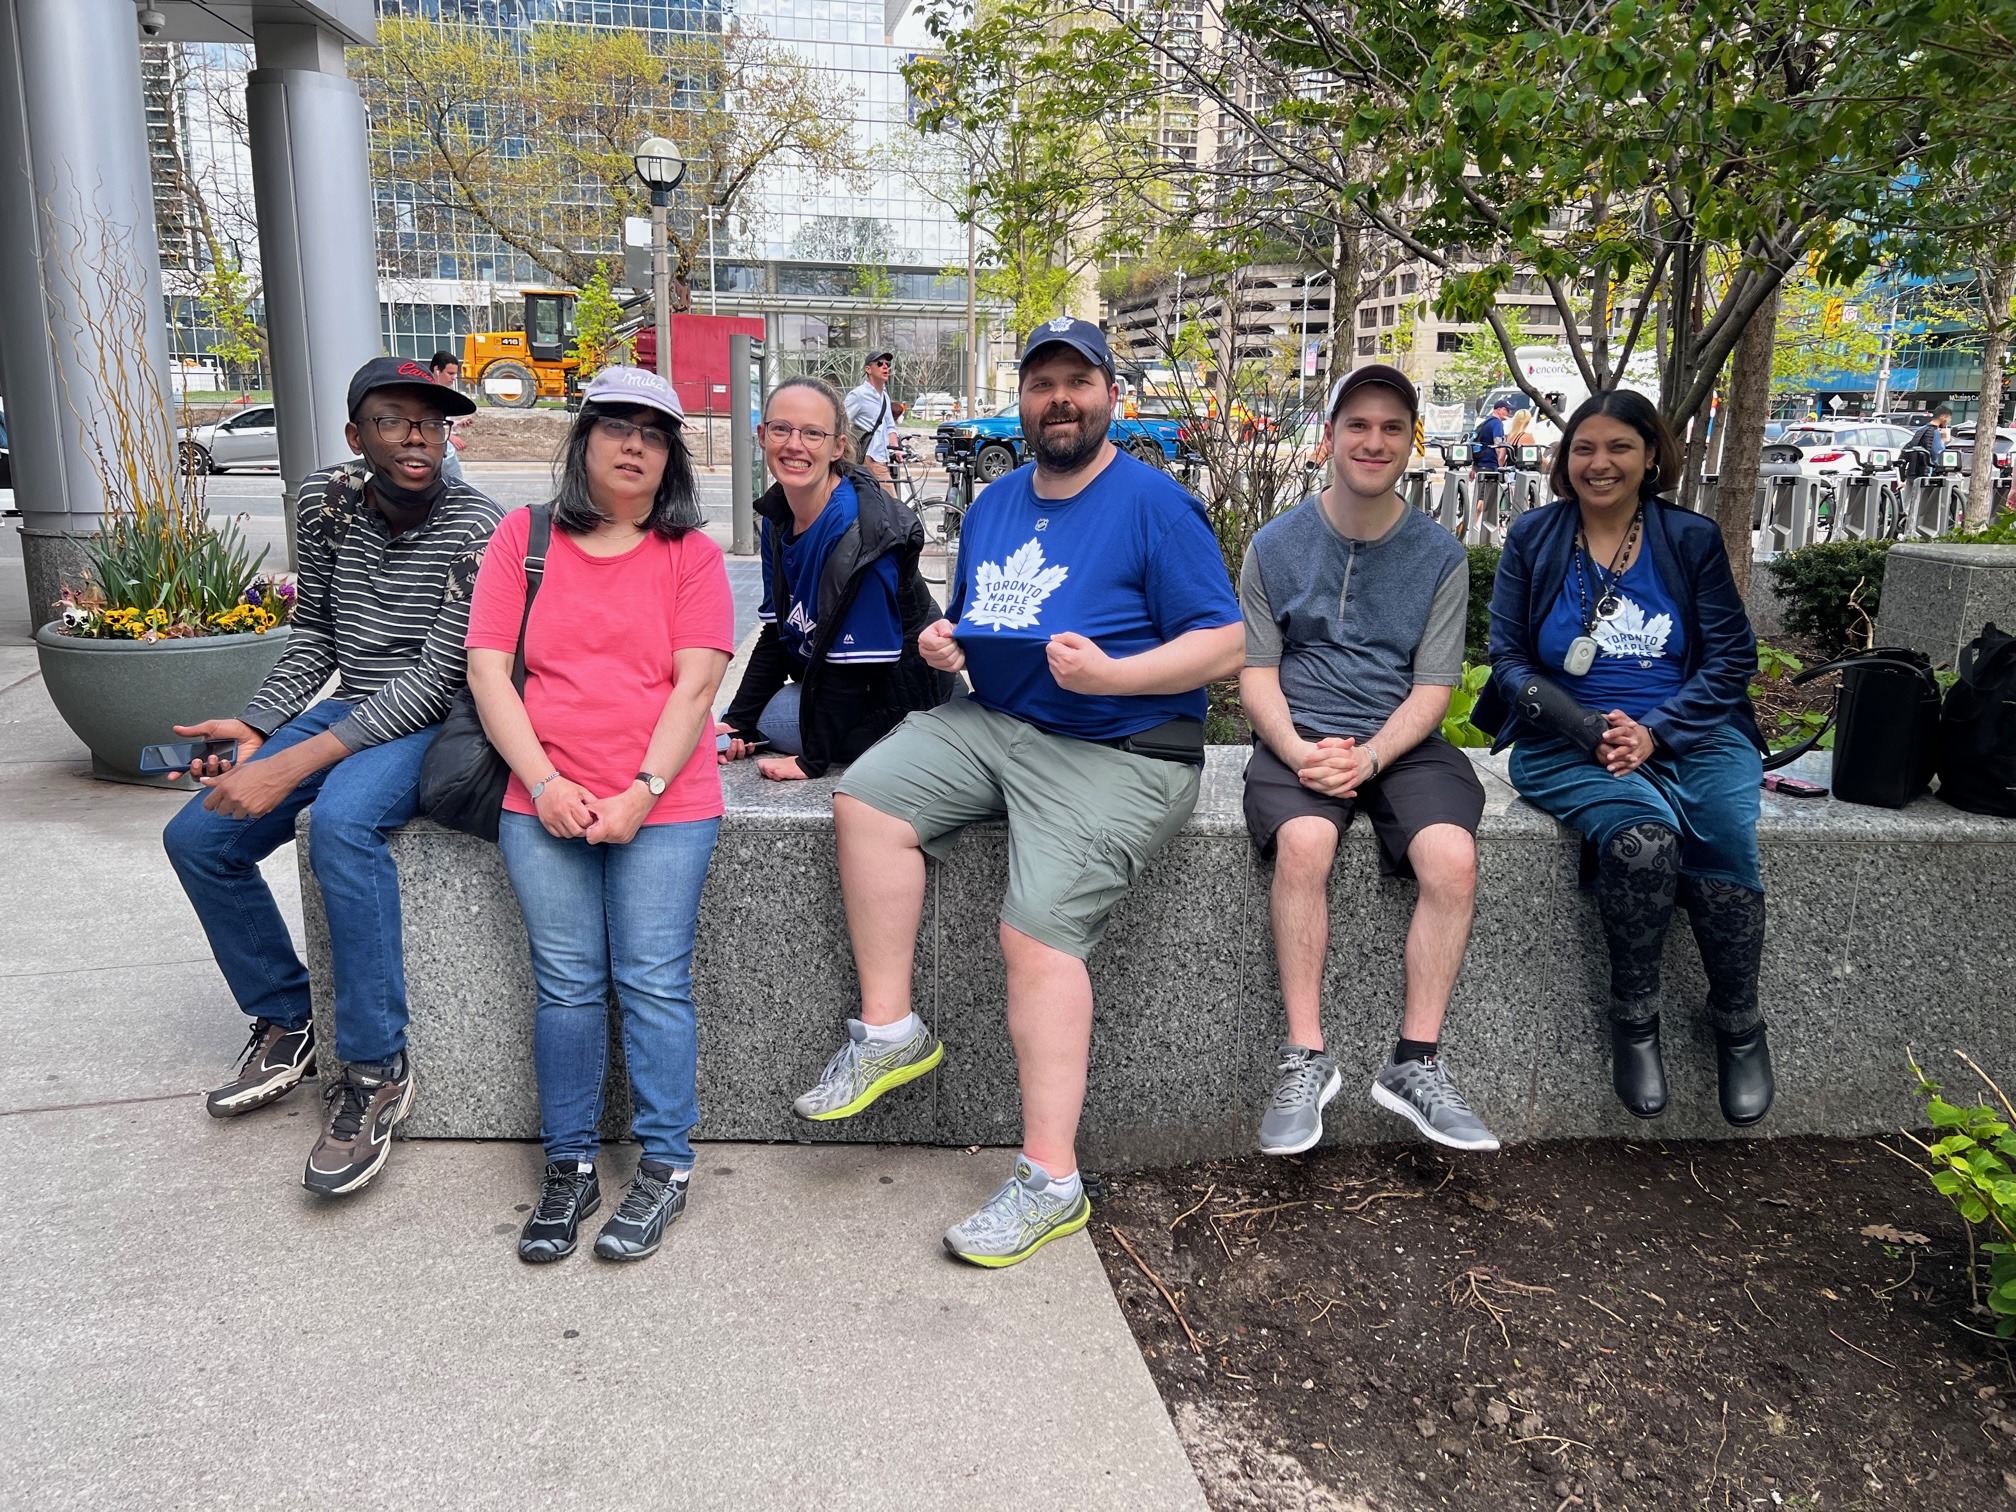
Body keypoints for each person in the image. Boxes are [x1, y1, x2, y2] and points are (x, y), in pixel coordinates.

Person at [800, 317, 1243, 1268]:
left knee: (1035, 931)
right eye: (1043, 384)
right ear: (1024, 399)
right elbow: (983, 615)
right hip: (998, 722)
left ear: (1111, 395)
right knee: (866, 798)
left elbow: (1226, 643)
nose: (1060, 400)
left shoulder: (1156, 505)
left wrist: (1116, 675)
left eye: (1078, 382)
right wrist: (945, 641)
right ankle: (891, 1030)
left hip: (1121, 747)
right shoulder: (996, 502)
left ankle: (1051, 1182)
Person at [162, 356, 501, 1196]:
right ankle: (287, 1015)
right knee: (198, 839)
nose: (417, 436)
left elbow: (441, 677)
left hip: (436, 719)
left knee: (344, 826)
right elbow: (314, 630)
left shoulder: (477, 524)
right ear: (357, 434)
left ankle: (377, 1068)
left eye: (432, 422)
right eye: (394, 420)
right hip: (350, 703)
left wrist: (289, 765)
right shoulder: (325, 502)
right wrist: (257, 726)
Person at [464, 366, 735, 1263]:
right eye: (616, 427)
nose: (633, 446)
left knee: (653, 981)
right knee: (567, 987)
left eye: (653, 434)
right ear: (583, 441)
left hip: (666, 803)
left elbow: (696, 688)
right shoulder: (525, 537)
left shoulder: (691, 555)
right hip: (541, 797)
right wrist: (544, 783)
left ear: (670, 460)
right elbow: (487, 671)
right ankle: (571, 1165)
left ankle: (666, 1166)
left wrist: (640, 793)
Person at [1477, 390, 1773, 1127]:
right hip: (1564, 739)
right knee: (1644, 841)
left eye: (1619, 447)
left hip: (1693, 731)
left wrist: (1654, 733)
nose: (1599, 463)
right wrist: (1588, 729)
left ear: (1650, 457)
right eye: (1584, 448)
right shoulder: (1535, 537)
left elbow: (1732, 658)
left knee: (1722, 834)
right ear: (1564, 459)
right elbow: (1507, 660)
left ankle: (1739, 1024)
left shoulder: (1690, 539)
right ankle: (1635, 1021)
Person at [1240, 364, 1499, 1157]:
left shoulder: (1439, 556)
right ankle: (1304, 1057)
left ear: (1412, 442)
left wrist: (1375, 755)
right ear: (1329, 438)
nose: (1374, 441)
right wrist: (1296, 750)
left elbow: (1434, 687)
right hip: (1301, 732)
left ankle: (1415, 1063)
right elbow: (1257, 674)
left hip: (1402, 741)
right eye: (1358, 425)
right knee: (1306, 843)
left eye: (1392, 428)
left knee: (1452, 858)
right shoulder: (1274, 546)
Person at [718, 376, 956, 780]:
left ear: (838, 447)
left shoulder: (861, 531)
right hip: (834, 683)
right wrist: (738, 720)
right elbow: (777, 633)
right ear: (761, 436)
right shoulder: (777, 518)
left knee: (765, 717)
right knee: (733, 719)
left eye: (813, 433)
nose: (794, 445)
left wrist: (812, 761)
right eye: (781, 429)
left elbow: (855, 667)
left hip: (901, 704)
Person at [845, 349, 897, 483]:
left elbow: (890, 426)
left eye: (887, 364)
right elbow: (841, 420)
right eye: (880, 363)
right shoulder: (858, 395)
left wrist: (897, 450)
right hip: (869, 456)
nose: (885, 367)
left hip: (882, 457)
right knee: (890, 495)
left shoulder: (885, 397)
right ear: (868, 369)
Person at [430, 350, 470, 481]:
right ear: (437, 370)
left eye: (455, 374)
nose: (454, 378)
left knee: (458, 488)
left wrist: (457, 424)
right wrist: (450, 437)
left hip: (448, 456)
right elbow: (427, 423)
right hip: (434, 456)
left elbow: (441, 422)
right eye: (450, 373)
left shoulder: (443, 393)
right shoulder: (426, 394)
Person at [1900, 404, 1952, 482]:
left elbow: (1906, 450)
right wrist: (1944, 440)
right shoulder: (1936, 432)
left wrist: (1902, 476)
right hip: (1928, 476)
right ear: (1943, 417)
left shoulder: (1920, 430)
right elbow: (1938, 455)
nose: (1949, 421)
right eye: (1949, 418)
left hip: (1913, 473)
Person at [1472, 398, 1513, 471]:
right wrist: (1500, 466)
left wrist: (1474, 467)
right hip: (1490, 463)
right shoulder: (1497, 423)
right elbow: (1498, 445)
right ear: (1499, 409)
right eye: (1506, 410)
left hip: (1480, 462)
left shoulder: (1486, 421)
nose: (1509, 413)